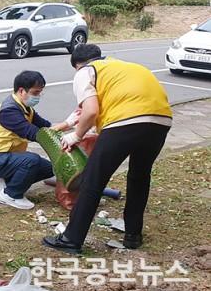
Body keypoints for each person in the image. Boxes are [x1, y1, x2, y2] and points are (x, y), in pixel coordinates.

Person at [42, 44, 172, 254]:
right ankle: (133, 235)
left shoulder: (85, 71)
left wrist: (75, 136)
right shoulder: (124, 68)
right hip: (161, 120)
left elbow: (91, 110)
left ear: (77, 65)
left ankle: (71, 239)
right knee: (139, 177)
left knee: (93, 180)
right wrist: (73, 124)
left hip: (125, 121)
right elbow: (91, 111)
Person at [0, 71, 76, 210]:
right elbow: (35, 134)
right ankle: (10, 194)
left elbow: (45, 126)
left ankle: (6, 180)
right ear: (21, 90)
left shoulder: (25, 107)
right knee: (32, 161)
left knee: (51, 169)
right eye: (35, 93)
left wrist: (72, 127)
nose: (38, 97)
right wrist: (66, 130)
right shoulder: (8, 111)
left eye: (40, 93)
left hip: (8, 156)